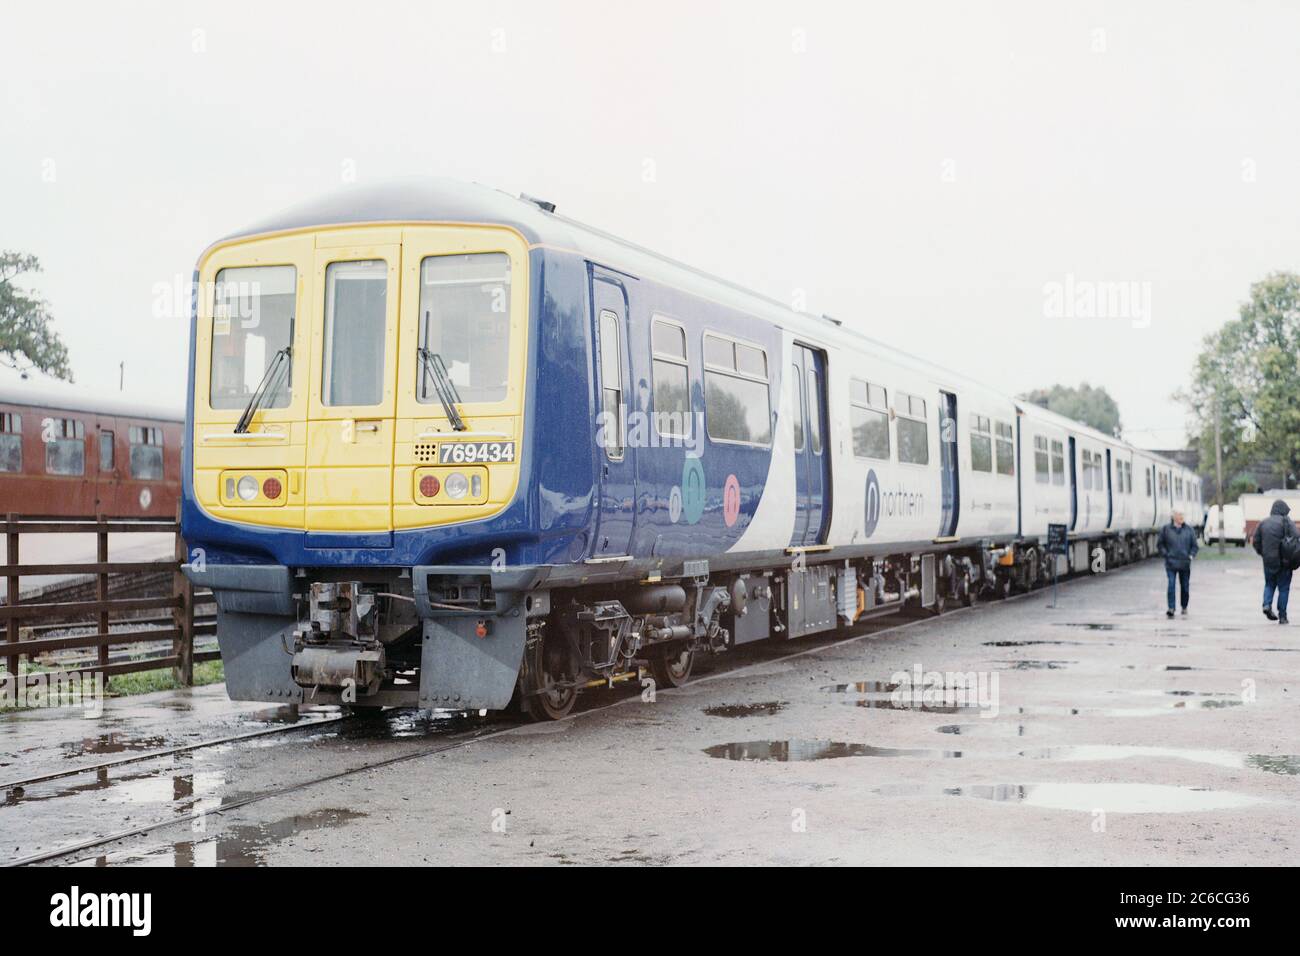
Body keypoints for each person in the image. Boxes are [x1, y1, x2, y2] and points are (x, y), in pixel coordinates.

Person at [1252, 498, 1296, 624]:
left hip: (1268, 561)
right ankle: (1282, 616)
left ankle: (1266, 604)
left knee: (1269, 584)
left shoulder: (1263, 523)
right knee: (1283, 588)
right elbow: (1296, 538)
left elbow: (1256, 542)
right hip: (1284, 562)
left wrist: (1263, 553)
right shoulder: (1287, 522)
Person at [1157, 509, 1198, 618]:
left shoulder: (1189, 530)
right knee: (1171, 585)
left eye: (1182, 515)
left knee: (1184, 586)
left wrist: (1191, 555)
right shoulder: (1166, 529)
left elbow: (1195, 546)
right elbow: (1160, 544)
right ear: (1174, 517)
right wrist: (1166, 554)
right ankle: (1171, 608)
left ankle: (1184, 606)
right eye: (1179, 515)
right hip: (1171, 562)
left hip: (1185, 563)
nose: (1181, 517)